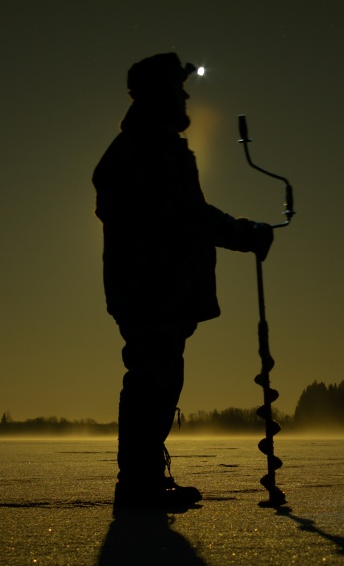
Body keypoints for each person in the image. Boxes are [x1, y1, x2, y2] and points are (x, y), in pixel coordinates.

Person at [94, 53, 274, 509]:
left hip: (155, 288)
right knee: (152, 380)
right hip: (150, 289)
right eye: (179, 88)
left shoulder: (148, 145)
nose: (186, 95)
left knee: (159, 379)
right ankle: (138, 485)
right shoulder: (146, 148)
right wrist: (241, 232)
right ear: (161, 94)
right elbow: (182, 216)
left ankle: (144, 480)